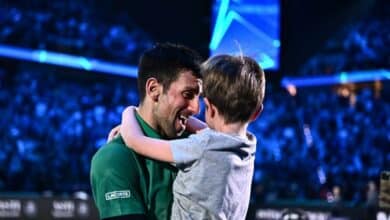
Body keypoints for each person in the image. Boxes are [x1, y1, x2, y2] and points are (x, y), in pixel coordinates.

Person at [119, 54, 266, 219]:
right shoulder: (247, 146)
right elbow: (208, 132)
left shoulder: (201, 146)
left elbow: (136, 141)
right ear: (257, 113)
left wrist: (130, 113)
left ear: (209, 108)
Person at [90, 43, 203, 220]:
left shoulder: (201, 146)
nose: (196, 108)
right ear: (154, 90)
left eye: (198, 97)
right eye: (188, 94)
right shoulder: (116, 157)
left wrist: (129, 113)